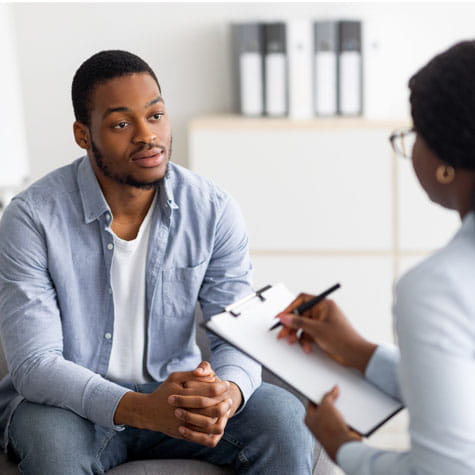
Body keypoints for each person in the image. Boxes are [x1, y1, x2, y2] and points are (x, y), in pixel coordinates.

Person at [0, 50, 314, 474]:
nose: (147, 136)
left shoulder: (213, 209)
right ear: (82, 134)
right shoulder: (31, 218)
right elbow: (35, 365)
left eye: (156, 115)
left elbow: (238, 335)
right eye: (121, 124)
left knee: (282, 418)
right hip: (70, 405)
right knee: (53, 448)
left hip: (175, 397)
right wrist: (141, 409)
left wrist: (228, 393)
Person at [276, 40, 475, 474]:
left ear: (446, 162)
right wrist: (359, 352)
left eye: (415, 134)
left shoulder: (437, 287)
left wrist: (342, 445)